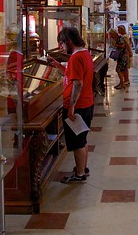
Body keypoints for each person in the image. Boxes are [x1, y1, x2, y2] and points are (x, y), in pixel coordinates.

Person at [48, 26, 94, 183]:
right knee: (82, 138)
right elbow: (72, 74)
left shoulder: (75, 58)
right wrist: (57, 65)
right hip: (87, 102)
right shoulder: (84, 53)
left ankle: (79, 174)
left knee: (77, 142)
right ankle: (83, 167)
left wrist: (72, 107)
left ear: (69, 41)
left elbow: (78, 83)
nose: (61, 47)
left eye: (62, 43)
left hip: (78, 106)